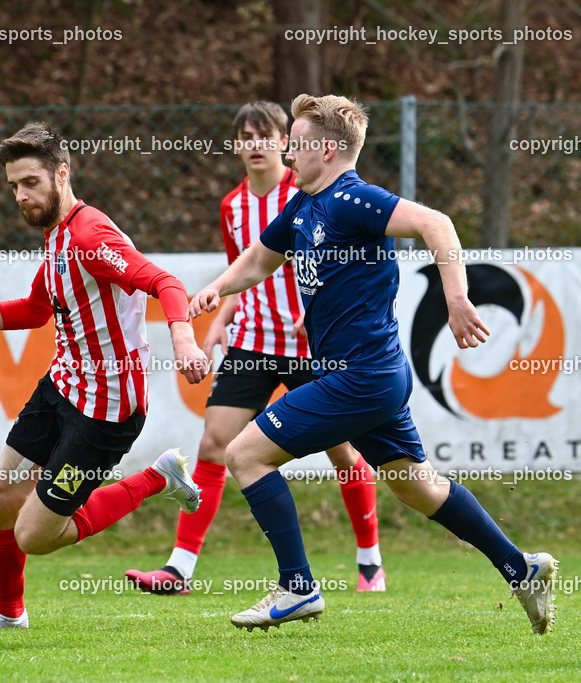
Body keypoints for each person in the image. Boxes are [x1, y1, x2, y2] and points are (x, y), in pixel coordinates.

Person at [189, 94, 557, 634]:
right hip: (367, 375)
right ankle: (521, 568)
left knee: (244, 454)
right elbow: (261, 260)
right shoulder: (302, 203)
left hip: (361, 376)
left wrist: (456, 299)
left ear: (330, 150)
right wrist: (217, 288)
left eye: (298, 138)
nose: (288, 146)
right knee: (416, 486)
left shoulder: (351, 199)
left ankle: (297, 588)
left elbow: (439, 224)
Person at [0, 122, 210, 629]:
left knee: (35, 535)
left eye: (30, 182)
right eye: (13, 186)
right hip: (63, 386)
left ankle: (157, 477)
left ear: (62, 174)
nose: (21, 196)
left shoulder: (91, 235)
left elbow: (164, 281)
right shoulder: (57, 237)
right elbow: (33, 309)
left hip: (106, 410)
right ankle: (9, 614)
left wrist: (183, 339)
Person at [126, 101, 387, 597]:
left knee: (343, 451)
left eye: (265, 135)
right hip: (252, 341)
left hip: (312, 346)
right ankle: (179, 568)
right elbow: (246, 268)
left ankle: (369, 561)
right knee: (213, 444)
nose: (255, 145)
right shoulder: (233, 205)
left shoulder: (311, 191)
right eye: (245, 136)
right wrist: (222, 317)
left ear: (286, 142)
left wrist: (322, 312)